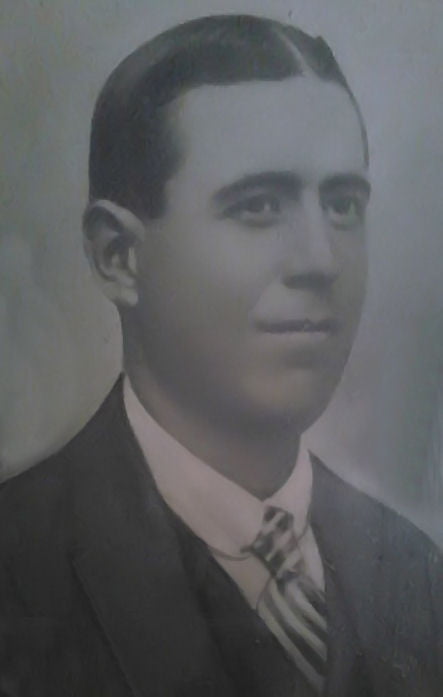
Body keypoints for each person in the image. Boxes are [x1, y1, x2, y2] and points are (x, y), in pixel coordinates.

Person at [0, 14, 441, 697]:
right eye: (258, 205)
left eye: (342, 205)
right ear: (119, 256)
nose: (321, 260)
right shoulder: (17, 565)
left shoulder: (414, 571)